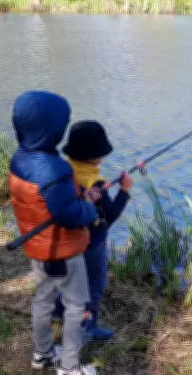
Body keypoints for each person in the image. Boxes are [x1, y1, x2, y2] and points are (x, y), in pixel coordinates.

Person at [9, 91, 101, 375]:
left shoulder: (19, 159)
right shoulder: (55, 168)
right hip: (63, 251)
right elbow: (67, 214)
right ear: (53, 129)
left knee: (43, 300)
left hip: (37, 246)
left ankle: (42, 354)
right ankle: (71, 367)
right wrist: (90, 211)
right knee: (76, 306)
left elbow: (46, 202)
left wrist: (78, 196)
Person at [53, 120, 133, 341]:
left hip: (68, 240)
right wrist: (124, 191)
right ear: (96, 156)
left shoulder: (64, 172)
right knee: (95, 284)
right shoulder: (95, 184)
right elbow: (110, 215)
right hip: (92, 243)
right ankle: (88, 325)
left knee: (70, 278)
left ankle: (59, 308)